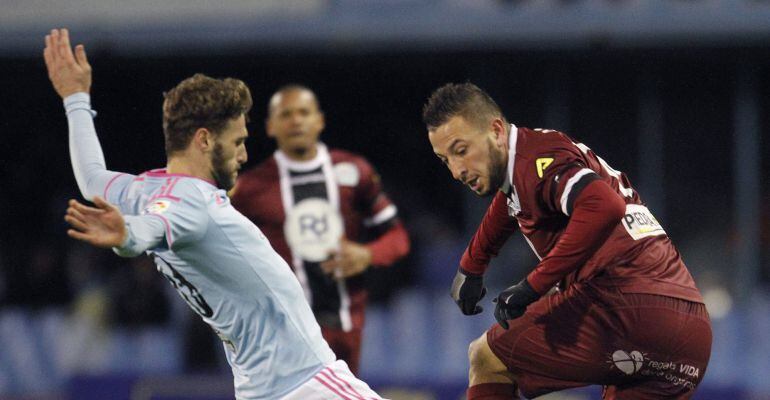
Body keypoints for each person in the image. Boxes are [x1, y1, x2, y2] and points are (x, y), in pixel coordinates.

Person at [45, 28, 383, 399]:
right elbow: (153, 226)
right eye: (236, 142)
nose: (243, 155)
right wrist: (126, 236)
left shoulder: (145, 190)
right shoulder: (191, 202)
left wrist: (75, 99)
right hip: (309, 383)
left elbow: (93, 178)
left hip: (262, 390)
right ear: (204, 140)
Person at [423, 82, 711, 399]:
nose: (456, 170)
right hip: (690, 331)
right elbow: (511, 203)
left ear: (496, 131)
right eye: (444, 159)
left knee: (487, 357)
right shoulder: (532, 164)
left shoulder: (538, 160)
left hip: (625, 308)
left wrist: (532, 285)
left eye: (461, 150)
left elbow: (604, 206)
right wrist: (471, 265)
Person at [231, 85, 410, 374]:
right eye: (285, 114)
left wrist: (366, 254)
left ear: (320, 120)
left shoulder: (354, 171)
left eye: (303, 112)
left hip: (345, 325)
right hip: (284, 330)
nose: (296, 121)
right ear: (270, 126)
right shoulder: (250, 188)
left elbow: (398, 237)